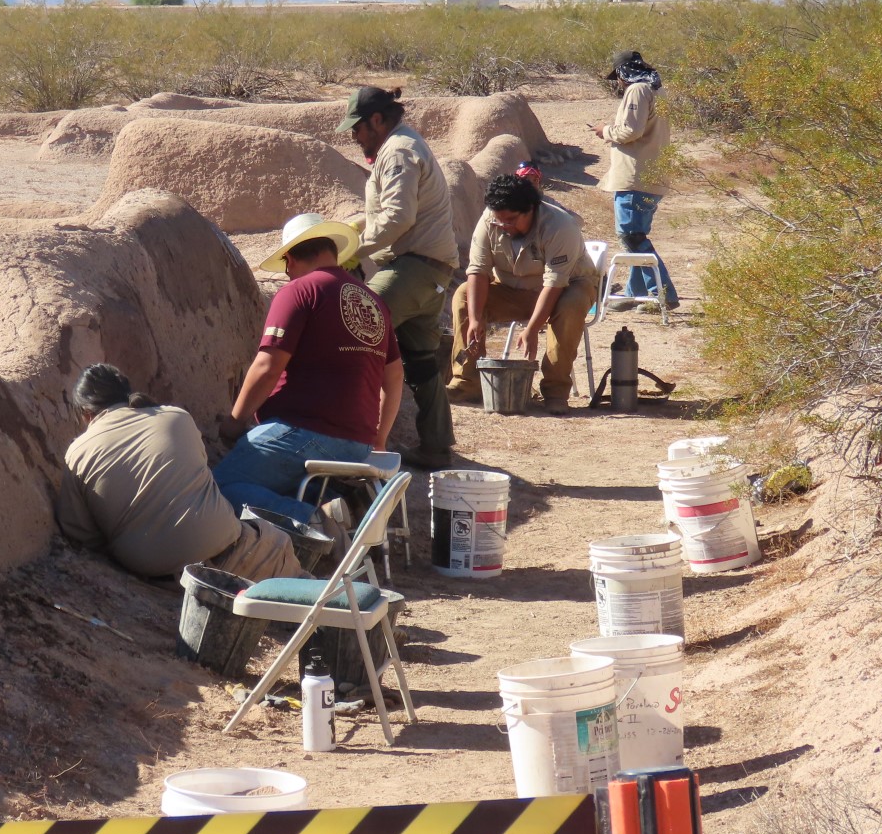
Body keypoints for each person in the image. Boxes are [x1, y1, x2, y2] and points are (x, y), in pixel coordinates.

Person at [214, 214, 404, 523]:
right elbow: (394, 377)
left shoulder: (299, 291)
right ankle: (336, 503)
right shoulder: (372, 301)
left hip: (305, 433)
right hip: (357, 443)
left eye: (286, 266)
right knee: (278, 478)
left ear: (290, 258)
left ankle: (315, 519)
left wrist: (234, 423)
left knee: (218, 488)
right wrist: (378, 440)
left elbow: (267, 366)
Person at [57, 364, 304, 582]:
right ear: (125, 394)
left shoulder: (76, 454)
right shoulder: (175, 417)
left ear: (86, 413)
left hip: (152, 571)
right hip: (221, 551)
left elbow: (82, 533)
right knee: (278, 544)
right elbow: (198, 472)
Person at [338, 86, 460, 470]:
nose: (354, 137)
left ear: (376, 120)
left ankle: (350, 440)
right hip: (430, 271)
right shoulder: (401, 146)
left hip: (414, 268)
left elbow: (397, 218)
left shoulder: (399, 151)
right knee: (421, 363)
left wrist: (349, 253)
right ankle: (436, 448)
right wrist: (345, 231)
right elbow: (383, 215)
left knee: (349, 328)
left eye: (356, 128)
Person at [447, 174, 598, 415]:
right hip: (513, 290)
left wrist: (532, 329)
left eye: (511, 220)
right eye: (499, 220)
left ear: (530, 209)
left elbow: (555, 284)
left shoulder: (560, 226)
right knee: (464, 297)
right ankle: (468, 381)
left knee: (573, 303)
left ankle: (556, 391)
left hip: (564, 290)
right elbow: (478, 271)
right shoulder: (490, 220)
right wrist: (475, 319)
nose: (504, 225)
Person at [594, 50, 679, 311]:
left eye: (618, 77)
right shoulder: (657, 89)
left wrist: (605, 131)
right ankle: (634, 292)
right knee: (634, 236)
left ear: (623, 73)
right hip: (650, 175)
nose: (618, 83)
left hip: (635, 176)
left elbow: (631, 130)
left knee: (632, 236)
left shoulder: (638, 90)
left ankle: (661, 294)